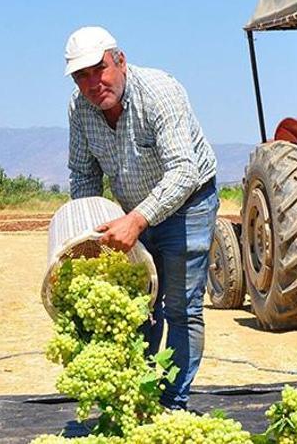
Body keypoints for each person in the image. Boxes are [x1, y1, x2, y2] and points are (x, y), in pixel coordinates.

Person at [63, 26, 218, 410]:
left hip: (189, 204)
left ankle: (172, 403)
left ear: (120, 61)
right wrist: (88, 230)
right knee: (141, 306)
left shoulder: (159, 93)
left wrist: (138, 219)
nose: (93, 83)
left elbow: (184, 172)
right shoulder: (80, 109)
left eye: (99, 69)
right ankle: (139, 394)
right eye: (81, 76)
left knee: (182, 308)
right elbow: (84, 174)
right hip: (132, 212)